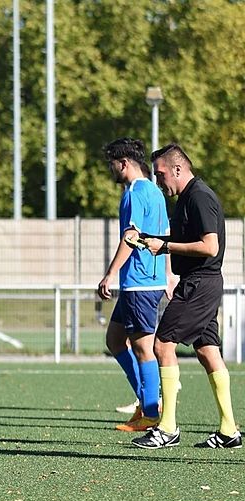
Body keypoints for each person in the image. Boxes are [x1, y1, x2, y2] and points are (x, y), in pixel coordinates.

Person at [132, 143, 241, 449]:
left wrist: (165, 247)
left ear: (177, 169)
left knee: (162, 343)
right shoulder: (185, 199)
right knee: (207, 351)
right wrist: (149, 240)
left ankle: (167, 428)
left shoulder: (199, 196)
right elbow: (185, 241)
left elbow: (209, 246)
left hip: (199, 284)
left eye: (161, 174)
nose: (158, 180)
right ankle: (229, 430)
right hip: (199, 283)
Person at [95, 138, 170, 433]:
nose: (111, 170)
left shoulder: (136, 193)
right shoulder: (154, 192)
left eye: (112, 164)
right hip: (143, 281)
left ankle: (152, 412)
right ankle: (146, 400)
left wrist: (110, 274)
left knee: (142, 348)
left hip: (138, 281)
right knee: (114, 340)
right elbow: (164, 235)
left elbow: (131, 236)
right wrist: (168, 274)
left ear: (124, 163)